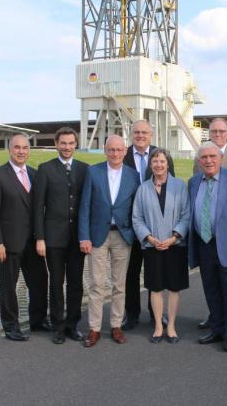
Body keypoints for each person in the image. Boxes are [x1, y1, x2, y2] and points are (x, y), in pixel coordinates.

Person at [0, 133, 50, 341]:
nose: (21, 151)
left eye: (25, 148)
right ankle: (11, 326)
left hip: (34, 242)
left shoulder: (35, 174)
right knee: (8, 286)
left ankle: (38, 320)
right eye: (17, 147)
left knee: (40, 282)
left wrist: (42, 236)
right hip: (9, 243)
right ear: (9, 149)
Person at [78, 135, 141, 347]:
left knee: (119, 284)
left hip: (123, 236)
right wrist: (84, 236)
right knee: (96, 284)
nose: (115, 154)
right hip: (97, 235)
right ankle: (94, 329)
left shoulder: (134, 176)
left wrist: (135, 233)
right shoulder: (93, 172)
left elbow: (136, 207)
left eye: (119, 150)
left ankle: (116, 325)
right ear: (105, 151)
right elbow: (85, 205)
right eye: (111, 150)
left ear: (125, 151)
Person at [189, 142, 227, 352]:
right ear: (199, 161)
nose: (208, 161)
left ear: (221, 158)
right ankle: (216, 328)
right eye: (204, 158)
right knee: (211, 288)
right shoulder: (194, 181)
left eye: (212, 156)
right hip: (203, 243)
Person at [32, 127, 89, 344]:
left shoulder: (85, 169)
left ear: (76, 144)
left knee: (76, 283)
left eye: (71, 143)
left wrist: (88, 235)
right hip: (53, 239)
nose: (67, 147)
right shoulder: (45, 169)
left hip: (77, 239)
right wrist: (40, 238)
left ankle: (73, 324)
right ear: (56, 144)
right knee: (56, 283)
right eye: (63, 143)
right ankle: (58, 325)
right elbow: (38, 207)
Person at [132, 148, 191, 344]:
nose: (159, 164)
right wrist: (149, 238)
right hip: (153, 246)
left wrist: (174, 237)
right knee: (155, 287)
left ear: (168, 164)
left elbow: (186, 215)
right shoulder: (143, 189)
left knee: (174, 287)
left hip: (175, 245)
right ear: (150, 165)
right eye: (155, 161)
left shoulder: (180, 186)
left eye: (162, 161)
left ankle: (171, 325)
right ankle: (158, 325)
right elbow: (137, 218)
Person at [122, 120, 175, 331]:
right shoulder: (121, 154)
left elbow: (173, 188)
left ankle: (156, 315)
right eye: (136, 132)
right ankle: (131, 314)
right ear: (131, 134)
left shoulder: (161, 154)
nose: (140, 135)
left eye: (144, 132)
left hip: (157, 227)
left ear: (151, 135)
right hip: (130, 225)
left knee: (155, 272)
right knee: (130, 273)